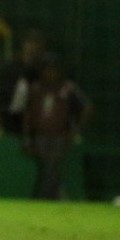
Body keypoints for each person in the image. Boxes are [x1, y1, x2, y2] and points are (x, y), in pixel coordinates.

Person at [23, 57, 91, 200]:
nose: (50, 73)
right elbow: (28, 115)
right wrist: (28, 139)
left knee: (51, 166)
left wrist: (75, 130)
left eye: (53, 70)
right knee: (47, 168)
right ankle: (59, 196)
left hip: (59, 136)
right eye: (47, 70)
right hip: (40, 135)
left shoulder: (68, 88)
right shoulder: (36, 89)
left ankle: (43, 197)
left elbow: (86, 108)